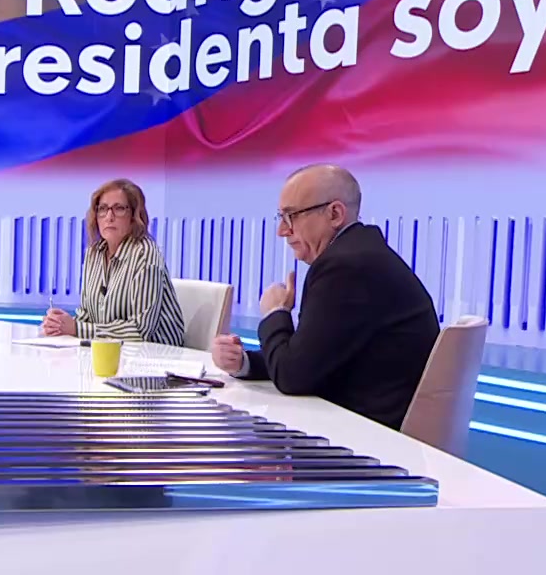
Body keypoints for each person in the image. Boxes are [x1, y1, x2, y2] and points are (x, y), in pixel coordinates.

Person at [211, 164, 439, 430]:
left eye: (291, 216)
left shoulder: (347, 267)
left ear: (335, 214)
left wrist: (275, 313)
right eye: (281, 218)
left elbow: (293, 376)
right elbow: (314, 356)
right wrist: (244, 363)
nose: (282, 231)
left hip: (363, 437)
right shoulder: (359, 255)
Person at [40, 178, 186, 345]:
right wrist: (60, 324)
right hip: (112, 351)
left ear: (134, 216)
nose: (109, 217)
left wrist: (77, 328)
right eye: (103, 209)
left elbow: (141, 330)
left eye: (119, 209)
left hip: (157, 354)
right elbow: (87, 316)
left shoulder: (145, 254)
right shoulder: (94, 254)